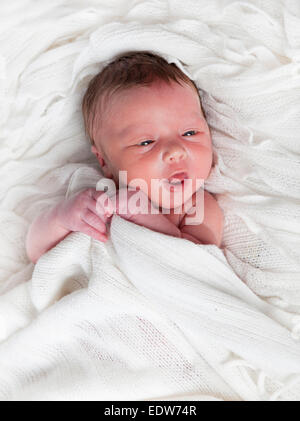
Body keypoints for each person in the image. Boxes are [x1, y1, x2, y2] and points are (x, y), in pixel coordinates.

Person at [26, 51, 224, 264]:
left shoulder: (197, 205)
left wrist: (144, 215)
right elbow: (37, 252)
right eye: (146, 142)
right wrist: (62, 217)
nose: (176, 151)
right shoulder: (95, 196)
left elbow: (197, 265)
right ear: (104, 162)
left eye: (189, 133)